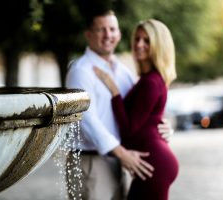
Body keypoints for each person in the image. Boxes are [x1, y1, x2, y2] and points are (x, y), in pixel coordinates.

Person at [65, 10, 173, 200]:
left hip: (118, 161)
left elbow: (140, 112)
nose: (108, 35)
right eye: (101, 29)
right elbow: (87, 120)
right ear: (89, 34)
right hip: (90, 162)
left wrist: (163, 127)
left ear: (119, 34)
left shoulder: (124, 72)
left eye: (112, 29)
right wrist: (122, 153)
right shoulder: (80, 70)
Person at [93, 19, 179, 200]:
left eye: (147, 40)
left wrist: (114, 92)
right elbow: (151, 118)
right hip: (152, 164)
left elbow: (129, 130)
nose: (139, 44)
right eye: (137, 39)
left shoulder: (151, 82)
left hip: (154, 165)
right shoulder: (148, 79)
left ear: (158, 45)